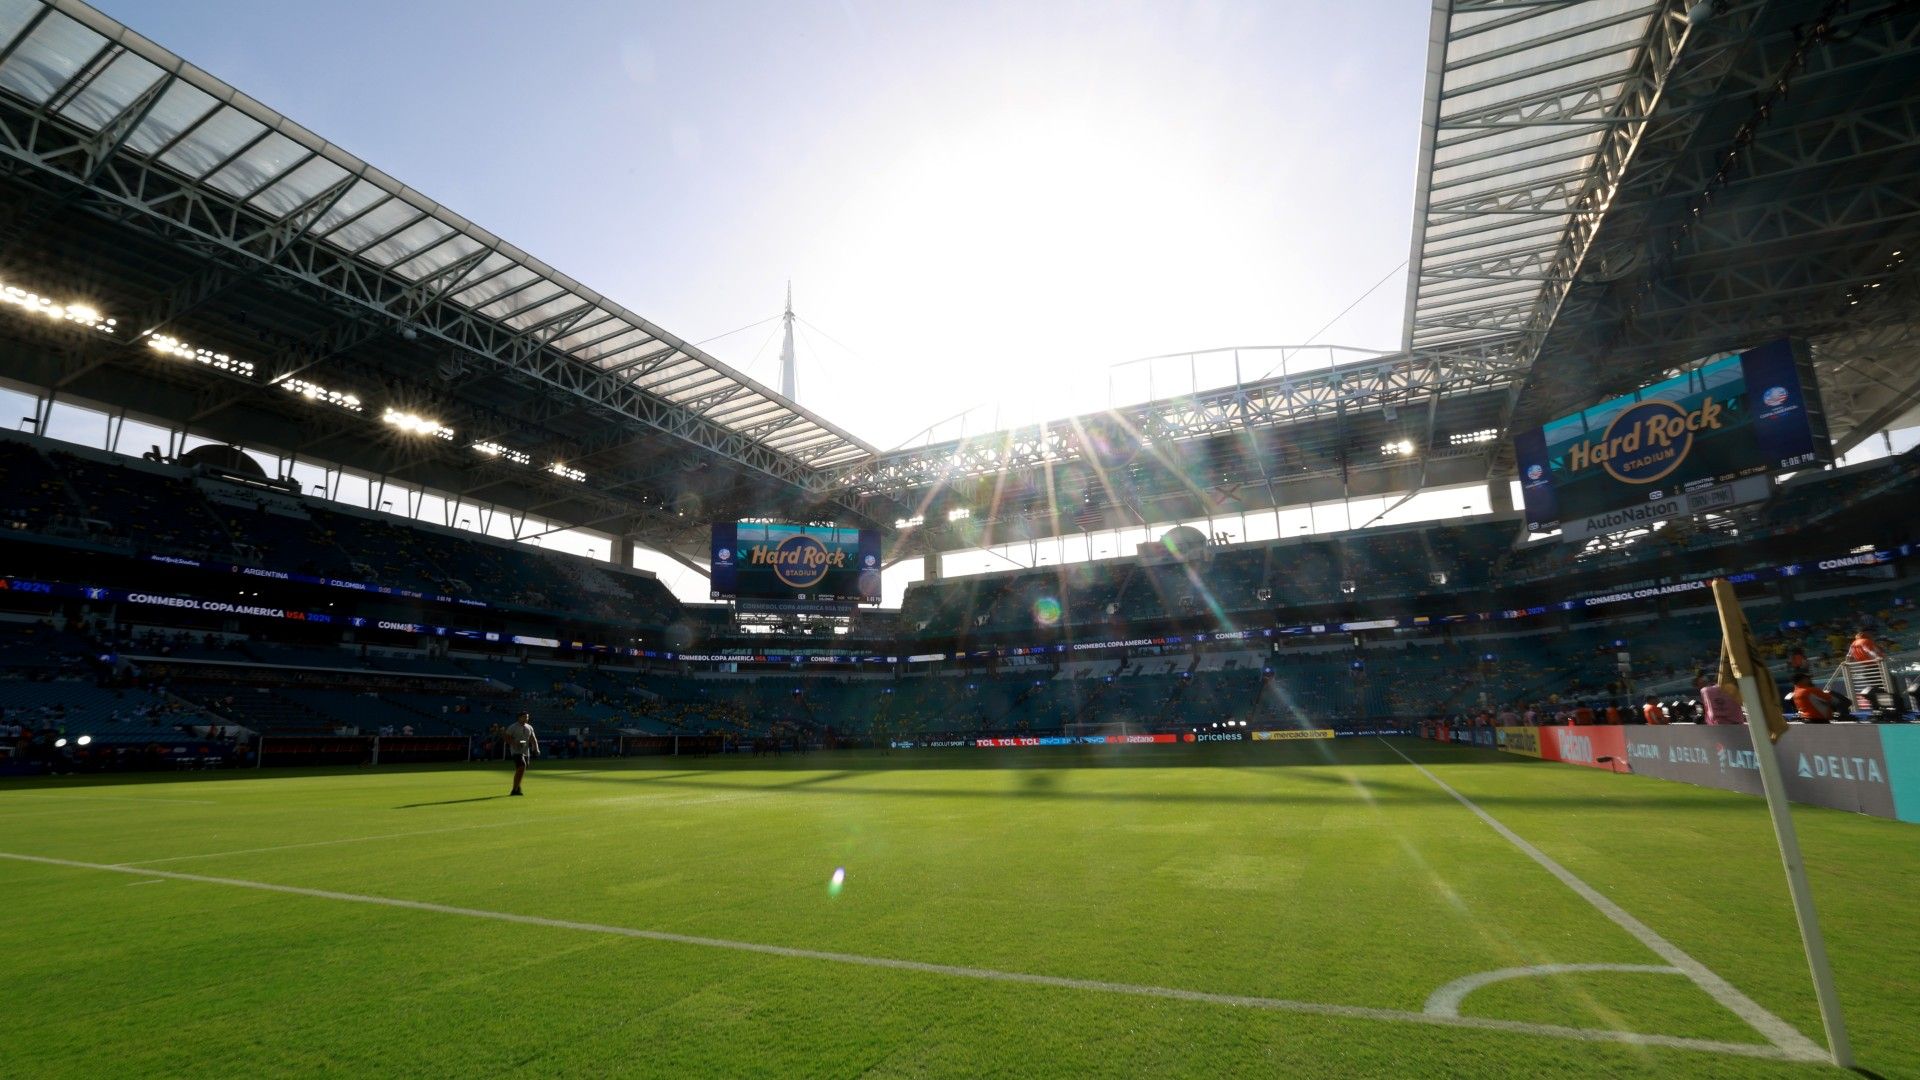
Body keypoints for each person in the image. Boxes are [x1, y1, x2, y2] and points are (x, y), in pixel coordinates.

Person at [504, 712, 539, 796]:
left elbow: (533, 738)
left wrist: (536, 748)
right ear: (519, 718)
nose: (526, 719)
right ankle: (514, 790)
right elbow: (506, 737)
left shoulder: (529, 727)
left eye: (527, 717)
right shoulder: (513, 727)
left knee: (521, 769)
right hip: (516, 751)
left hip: (526, 751)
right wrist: (515, 743)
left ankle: (517, 787)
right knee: (522, 766)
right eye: (524, 717)